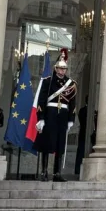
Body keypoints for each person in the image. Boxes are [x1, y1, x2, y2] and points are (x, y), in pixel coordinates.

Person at [34, 49, 77, 182]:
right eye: (59, 68)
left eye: (64, 69)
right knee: (47, 143)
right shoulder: (48, 81)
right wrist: (40, 118)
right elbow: (41, 100)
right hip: (50, 114)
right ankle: (44, 171)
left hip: (63, 115)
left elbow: (72, 103)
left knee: (60, 144)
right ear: (55, 68)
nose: (62, 71)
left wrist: (71, 119)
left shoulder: (71, 84)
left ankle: (57, 173)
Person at [75, 97, 88, 177]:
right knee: (81, 151)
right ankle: (77, 170)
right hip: (83, 133)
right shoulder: (83, 110)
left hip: (85, 133)